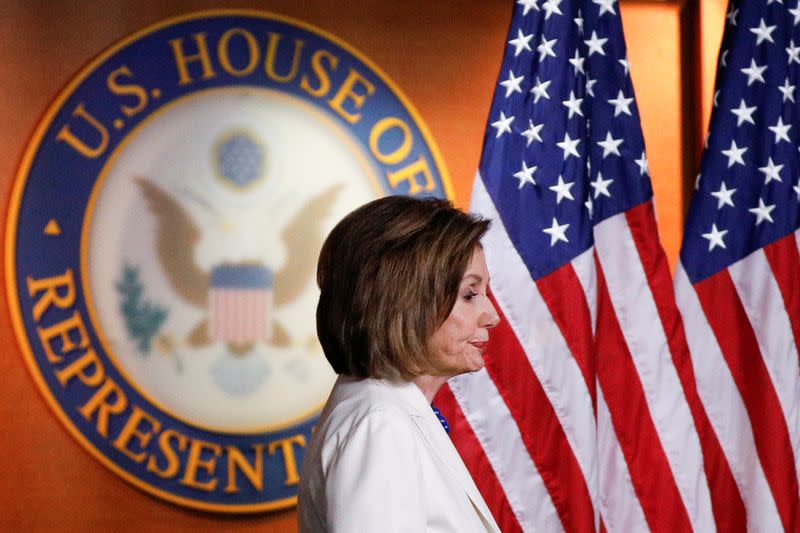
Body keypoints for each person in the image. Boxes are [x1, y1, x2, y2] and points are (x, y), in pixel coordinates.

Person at [298, 195, 501, 532]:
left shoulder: (388, 413)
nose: (491, 316)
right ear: (406, 300)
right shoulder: (379, 426)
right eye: (469, 294)